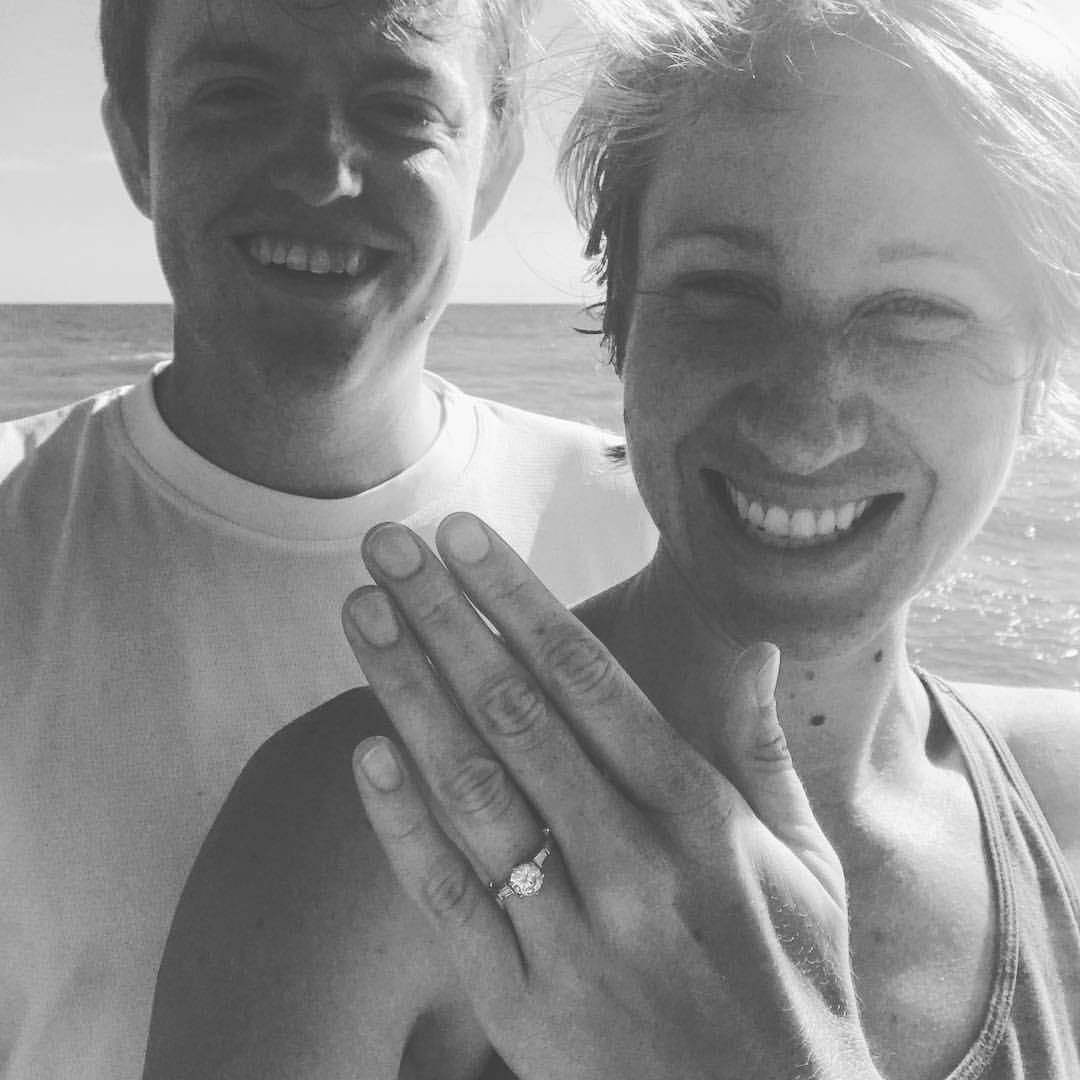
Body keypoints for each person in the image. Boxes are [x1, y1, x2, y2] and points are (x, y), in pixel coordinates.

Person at [143, 0, 1080, 1077]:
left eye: (918, 310)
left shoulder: (1064, 797)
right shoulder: (373, 832)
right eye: (721, 290)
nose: (805, 424)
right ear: (621, 321)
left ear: (1043, 361)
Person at [0, 0, 658, 1075]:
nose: (321, 176)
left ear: (496, 161)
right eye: (236, 96)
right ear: (134, 144)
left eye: (400, 107)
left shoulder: (649, 536)